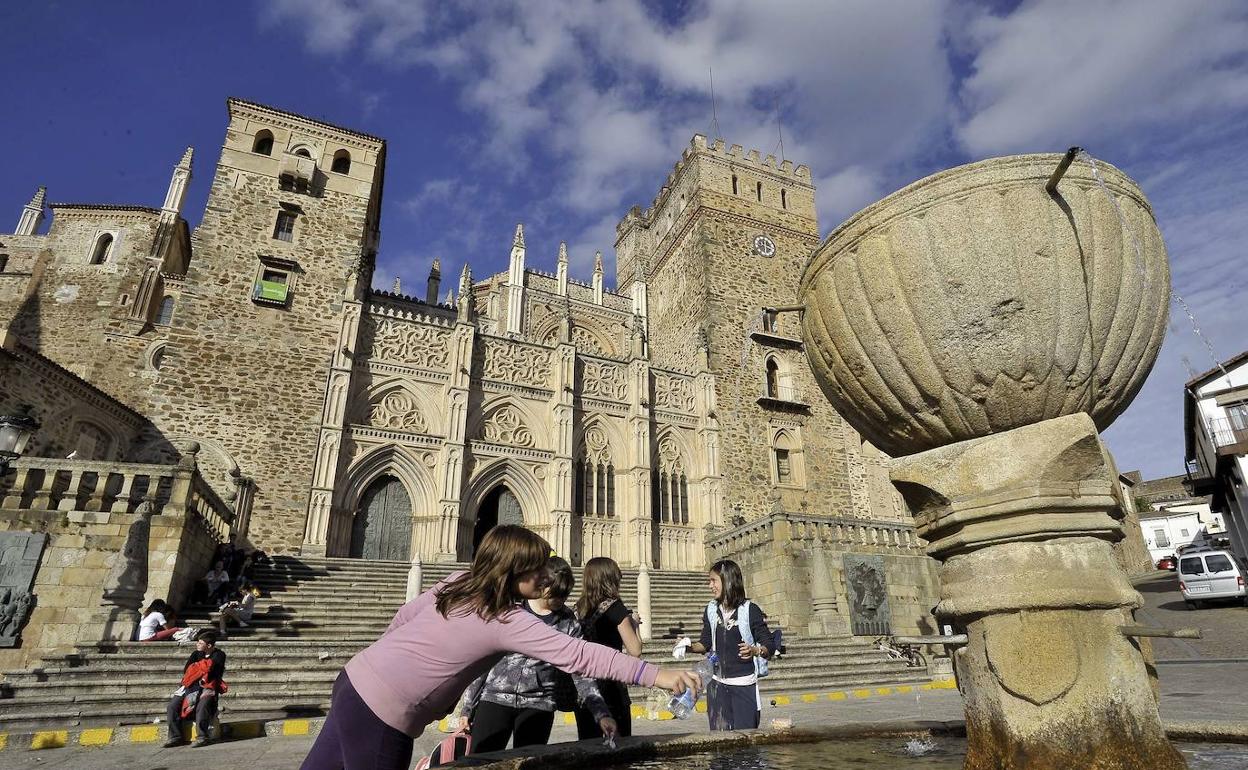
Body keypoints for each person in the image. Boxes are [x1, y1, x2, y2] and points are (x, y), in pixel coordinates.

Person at [299, 526, 700, 770]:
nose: (547, 575)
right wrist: (657, 675)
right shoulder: (505, 619)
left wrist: (388, 663)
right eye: (537, 567)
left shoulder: (461, 580)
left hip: (354, 680)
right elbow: (578, 654)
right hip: (384, 712)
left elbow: (404, 617)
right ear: (513, 571)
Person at [458, 557, 617, 754]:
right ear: (542, 585)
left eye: (565, 594)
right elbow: (484, 660)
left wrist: (601, 714)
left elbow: (581, 672)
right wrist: (467, 708)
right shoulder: (511, 610)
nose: (562, 600)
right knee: (480, 760)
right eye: (557, 594)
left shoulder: (568, 623)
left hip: (539, 705)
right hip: (495, 699)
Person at [673, 559, 772, 731]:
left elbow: (769, 644)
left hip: (743, 685)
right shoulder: (711, 610)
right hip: (716, 685)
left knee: (745, 741)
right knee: (719, 741)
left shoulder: (750, 610)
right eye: (709, 581)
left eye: (714, 581)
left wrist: (755, 650)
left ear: (728, 581)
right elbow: (705, 644)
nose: (710, 585)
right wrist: (687, 645)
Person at [573, 556, 642, 741]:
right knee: (618, 747)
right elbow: (635, 650)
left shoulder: (578, 608)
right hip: (611, 686)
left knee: (589, 748)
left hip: (586, 691)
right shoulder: (615, 607)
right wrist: (635, 624)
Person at [163, 629, 227, 747]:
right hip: (191, 685)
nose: (197, 644)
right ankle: (175, 736)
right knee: (172, 706)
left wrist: (197, 668)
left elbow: (213, 672)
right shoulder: (195, 654)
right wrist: (201, 668)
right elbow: (187, 670)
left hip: (207, 687)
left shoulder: (219, 655)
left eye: (200, 643)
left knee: (202, 706)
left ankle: (202, 736)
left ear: (209, 645)